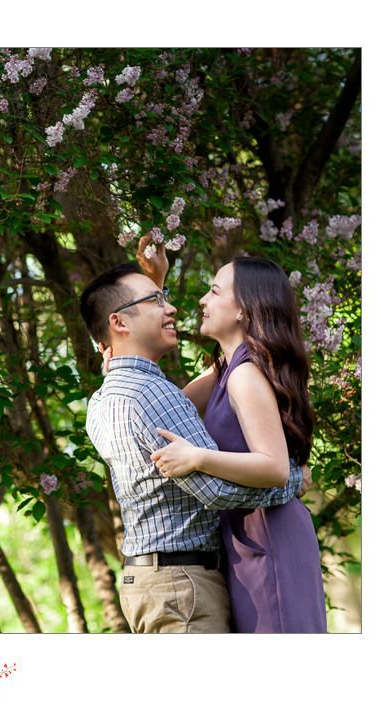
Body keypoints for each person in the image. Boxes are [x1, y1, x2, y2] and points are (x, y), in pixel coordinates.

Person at [80, 260, 303, 633]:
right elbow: (216, 491)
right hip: (182, 585)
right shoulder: (152, 393)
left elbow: (201, 381)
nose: (172, 308)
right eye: (157, 300)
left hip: (148, 582)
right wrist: (295, 478)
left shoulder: (104, 398)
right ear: (119, 323)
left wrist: (155, 292)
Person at [140, 243, 328, 633]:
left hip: (269, 538)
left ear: (244, 308)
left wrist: (198, 458)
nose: (202, 300)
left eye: (214, 290)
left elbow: (275, 467)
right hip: (250, 537)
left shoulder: (245, 375)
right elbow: (171, 403)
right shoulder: (228, 369)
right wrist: (155, 283)